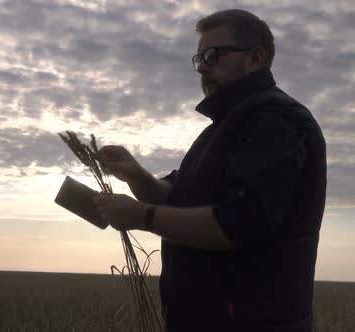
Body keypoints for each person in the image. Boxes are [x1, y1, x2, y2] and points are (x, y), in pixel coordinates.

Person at [92, 9, 327, 332]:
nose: (202, 67)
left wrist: (141, 217)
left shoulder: (274, 121)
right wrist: (135, 174)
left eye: (212, 55)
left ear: (255, 58)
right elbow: (177, 197)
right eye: (199, 58)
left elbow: (238, 223)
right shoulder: (225, 126)